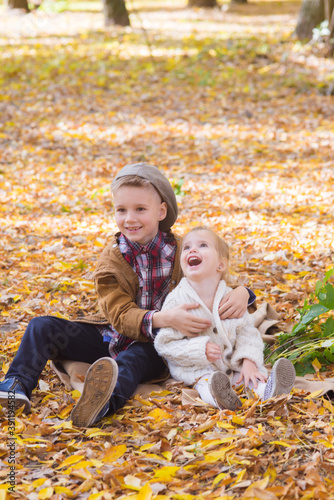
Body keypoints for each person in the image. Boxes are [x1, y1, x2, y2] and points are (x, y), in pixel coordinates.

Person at [0, 164, 255, 427]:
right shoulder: (111, 260)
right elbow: (119, 315)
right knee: (42, 326)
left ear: (161, 211)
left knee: (131, 361)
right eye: (121, 210)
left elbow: (219, 277)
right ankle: (17, 383)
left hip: (160, 344)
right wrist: (165, 317)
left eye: (140, 209)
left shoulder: (183, 250)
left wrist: (242, 293)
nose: (130, 218)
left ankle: (102, 401)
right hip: (112, 334)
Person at [154, 226, 296, 410]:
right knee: (206, 383)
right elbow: (165, 345)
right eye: (187, 248)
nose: (193, 250)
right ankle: (220, 398)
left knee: (250, 377)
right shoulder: (176, 301)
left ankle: (269, 392)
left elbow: (247, 332)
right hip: (197, 369)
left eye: (203, 245)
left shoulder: (230, 297)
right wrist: (199, 350)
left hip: (232, 364)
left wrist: (249, 362)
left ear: (220, 265)